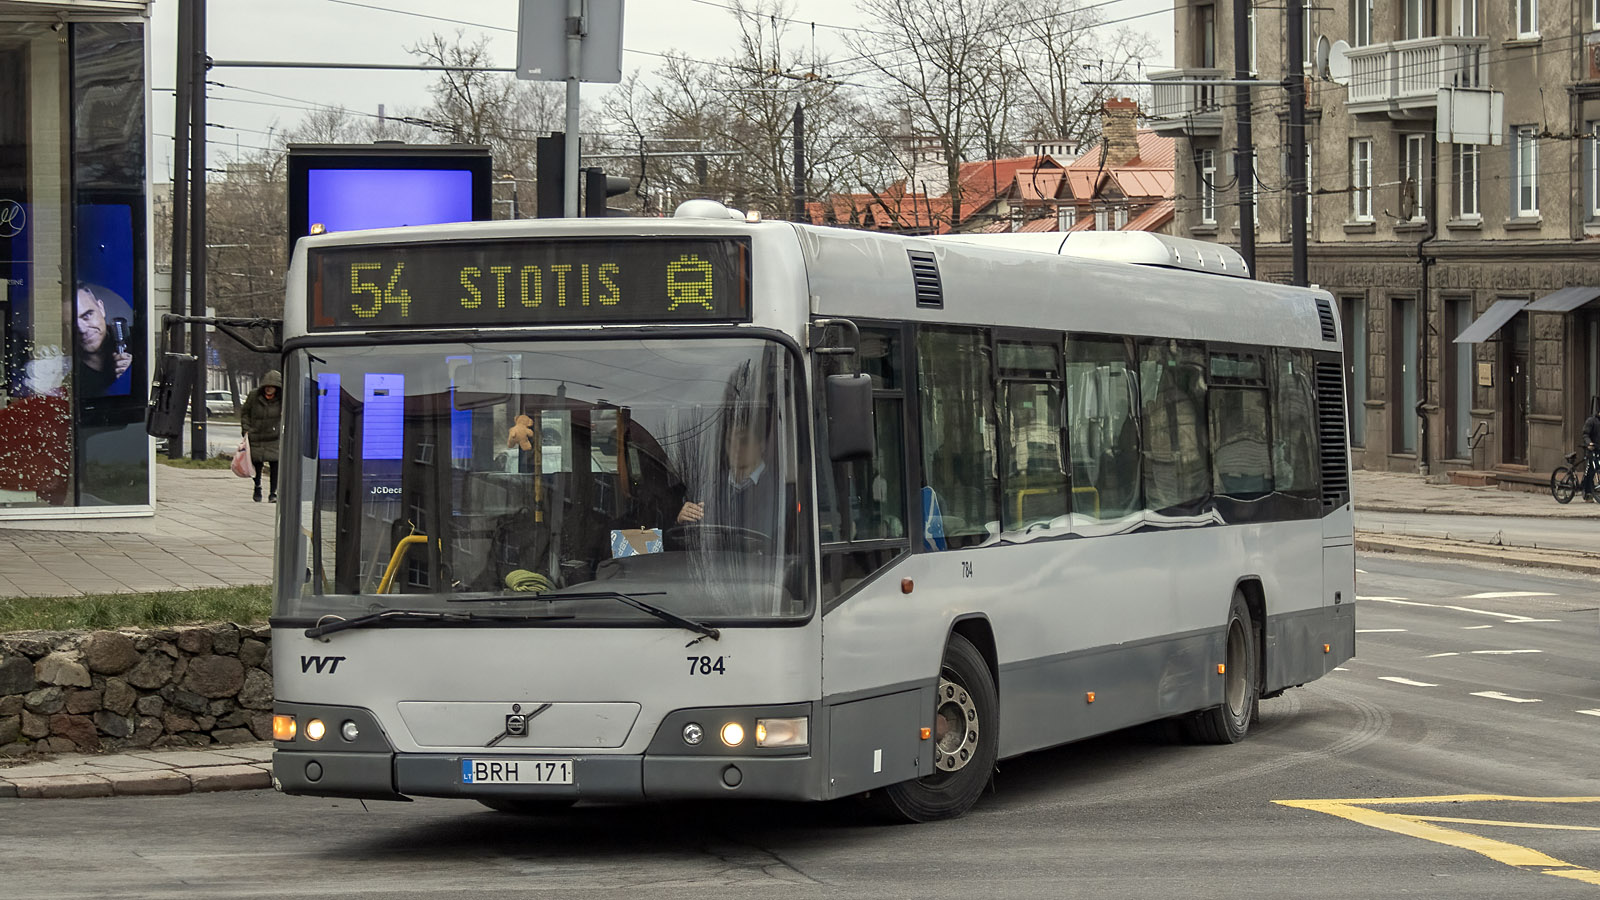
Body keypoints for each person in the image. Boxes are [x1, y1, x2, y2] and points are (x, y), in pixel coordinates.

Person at [675, 419, 779, 538]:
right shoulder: (707, 489)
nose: (735, 448)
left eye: (743, 441)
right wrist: (681, 522)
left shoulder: (779, 490)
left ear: (762, 445)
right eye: (730, 441)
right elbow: (690, 544)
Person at [71, 283, 132, 398]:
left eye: (87, 316)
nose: (82, 329)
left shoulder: (137, 341)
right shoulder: (66, 372)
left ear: (101, 308)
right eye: (72, 322)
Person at [240, 370, 283, 502]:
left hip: (273, 436)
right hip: (256, 435)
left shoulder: (282, 399)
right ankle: (257, 486)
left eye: (272, 386)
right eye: (267, 386)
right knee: (256, 464)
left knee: (275, 464)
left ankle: (273, 493)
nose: (269, 389)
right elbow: (245, 412)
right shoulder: (254, 396)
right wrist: (246, 429)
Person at [1582, 399, 1600, 502]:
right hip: (1592, 449)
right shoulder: (1591, 421)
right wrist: (1589, 443)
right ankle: (1588, 492)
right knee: (1591, 470)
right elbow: (1585, 434)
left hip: (1599, 449)